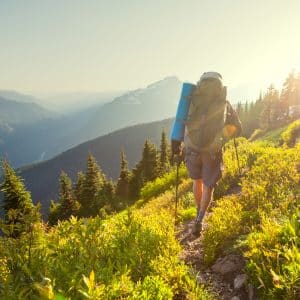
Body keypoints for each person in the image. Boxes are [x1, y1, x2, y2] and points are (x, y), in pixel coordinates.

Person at [172, 72, 242, 236]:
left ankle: (198, 209)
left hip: (192, 148)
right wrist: (223, 136)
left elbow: (180, 121)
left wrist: (176, 146)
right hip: (212, 151)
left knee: (197, 181)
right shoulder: (224, 102)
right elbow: (238, 129)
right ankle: (200, 219)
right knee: (208, 185)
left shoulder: (191, 99)